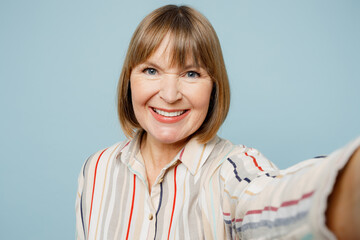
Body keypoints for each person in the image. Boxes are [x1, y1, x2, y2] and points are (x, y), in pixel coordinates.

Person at [75, 5, 360, 240]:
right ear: (129, 79)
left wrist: (347, 182)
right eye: (151, 70)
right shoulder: (96, 169)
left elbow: (272, 200)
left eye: (191, 74)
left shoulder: (233, 171)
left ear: (214, 87)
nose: (170, 94)